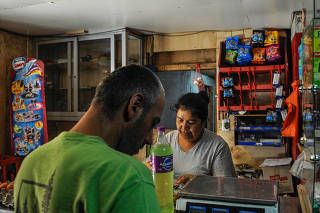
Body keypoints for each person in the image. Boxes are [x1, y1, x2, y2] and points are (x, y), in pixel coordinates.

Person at [14, 65, 165, 213]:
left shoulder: (32, 162)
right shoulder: (130, 178)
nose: (149, 140)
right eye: (152, 123)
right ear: (135, 106)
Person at [166, 91, 236, 186]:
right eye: (180, 120)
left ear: (203, 123)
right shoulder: (168, 140)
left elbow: (227, 186)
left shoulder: (217, 146)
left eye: (190, 122)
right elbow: (149, 167)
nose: (184, 127)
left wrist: (198, 181)